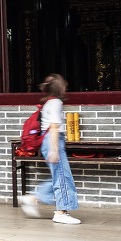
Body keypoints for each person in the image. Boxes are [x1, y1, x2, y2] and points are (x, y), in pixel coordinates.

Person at [20, 73, 81, 225]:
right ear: (60, 87)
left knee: (59, 175)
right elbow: (53, 127)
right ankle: (61, 212)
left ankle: (33, 198)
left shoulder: (48, 103)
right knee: (62, 177)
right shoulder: (55, 103)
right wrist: (54, 150)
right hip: (53, 141)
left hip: (48, 141)